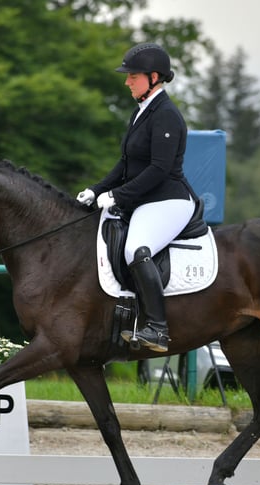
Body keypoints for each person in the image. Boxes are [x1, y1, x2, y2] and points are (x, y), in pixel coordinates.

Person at [77, 42, 201, 353]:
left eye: (133, 76)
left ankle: (157, 328)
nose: (127, 81)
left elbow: (159, 170)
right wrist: (97, 189)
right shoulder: (142, 111)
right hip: (143, 199)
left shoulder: (167, 116)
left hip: (168, 200)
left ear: (154, 77)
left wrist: (117, 196)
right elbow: (126, 164)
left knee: (136, 249)